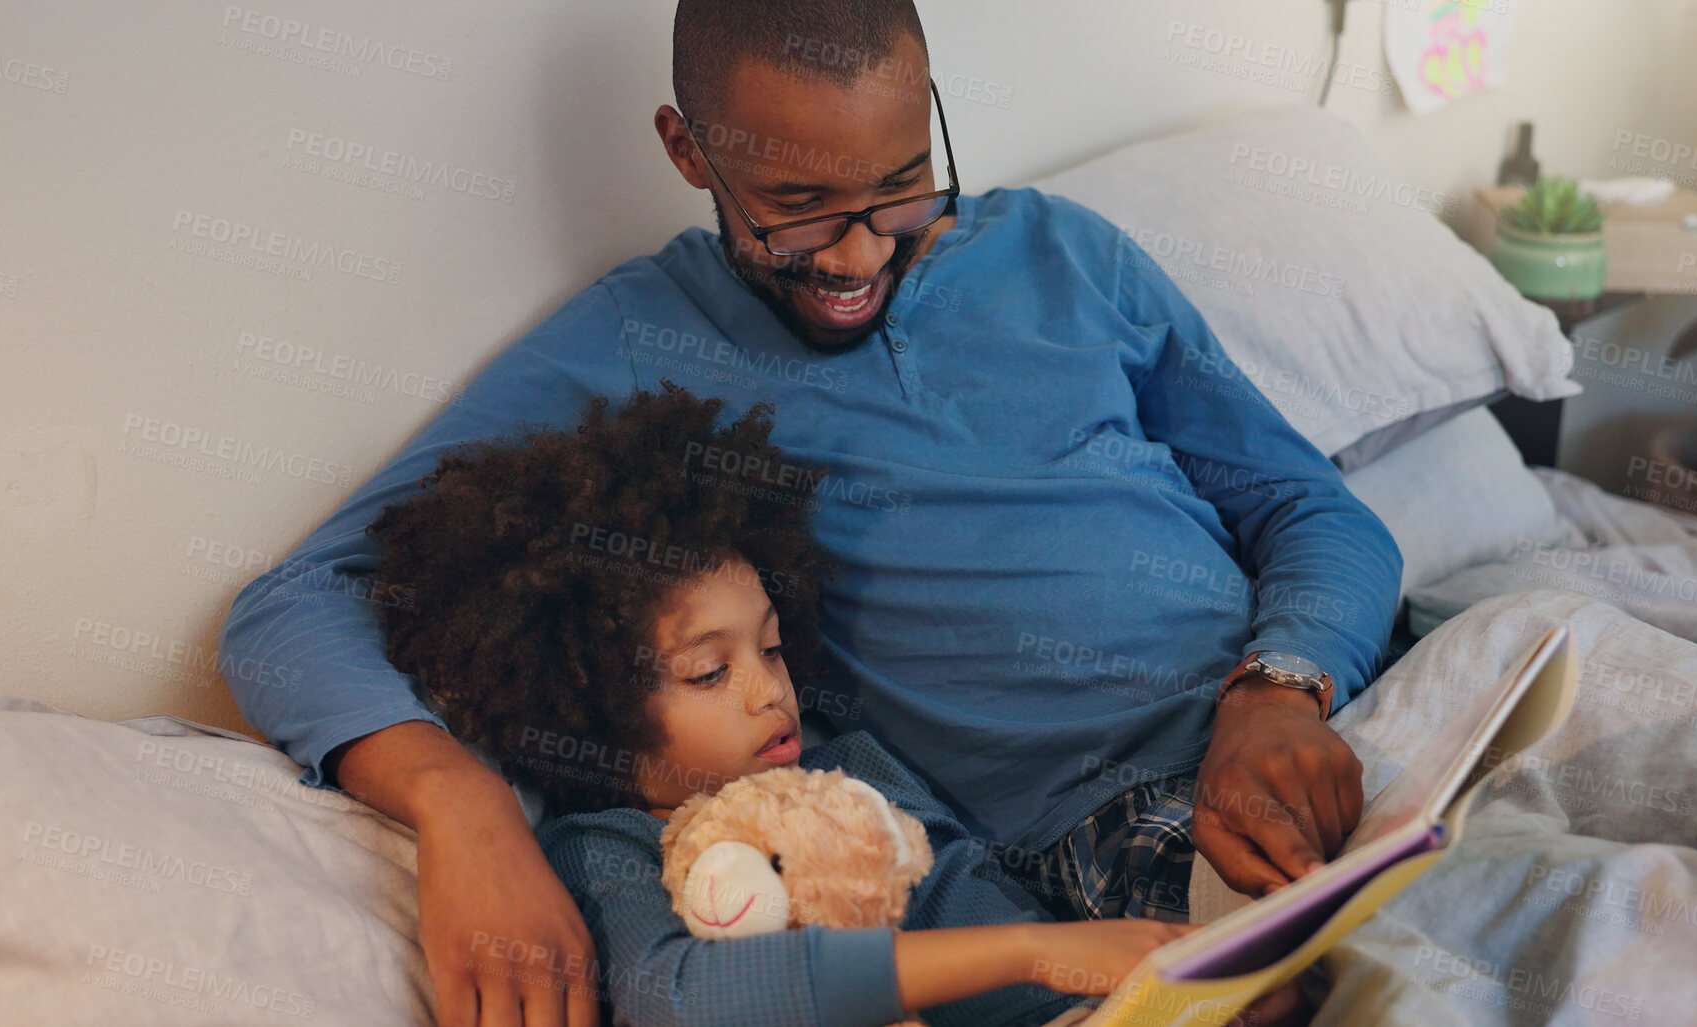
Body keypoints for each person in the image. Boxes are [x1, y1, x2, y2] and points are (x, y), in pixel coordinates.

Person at [219, 2, 1401, 1023]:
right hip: (1121, 844)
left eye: (897, 185)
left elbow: (1309, 507)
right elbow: (292, 606)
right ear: (688, 151)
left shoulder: (1066, 253)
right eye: (798, 205)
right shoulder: (638, 339)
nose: (854, 253)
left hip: (1332, 715)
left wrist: (1280, 683)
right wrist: (460, 806)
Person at [363, 382, 1207, 1027]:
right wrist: (1038, 950)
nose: (770, 688)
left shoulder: (847, 764)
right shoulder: (606, 845)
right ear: (584, 705)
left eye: (770, 647)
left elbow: (972, 887)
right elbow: (676, 997)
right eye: (708, 673)